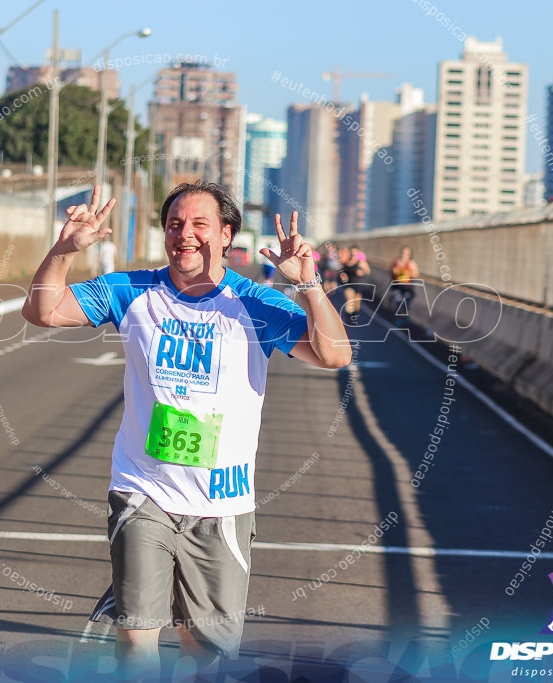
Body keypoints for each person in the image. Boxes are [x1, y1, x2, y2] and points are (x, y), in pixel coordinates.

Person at [21, 182, 351, 676]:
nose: (185, 236)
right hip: (142, 491)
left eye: (200, 225)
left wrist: (308, 284)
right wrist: (63, 251)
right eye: (175, 225)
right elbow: (42, 311)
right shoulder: (132, 290)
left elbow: (334, 355)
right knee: (136, 641)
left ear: (226, 235)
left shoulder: (255, 304)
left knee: (206, 657)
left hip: (222, 504)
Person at [389, 245, 420, 327]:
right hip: (397, 286)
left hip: (407, 287)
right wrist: (395, 272)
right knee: (398, 302)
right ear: (401, 253)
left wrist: (408, 272)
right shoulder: (396, 262)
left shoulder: (411, 263)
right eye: (404, 253)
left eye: (407, 253)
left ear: (410, 254)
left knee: (406, 303)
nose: (405, 255)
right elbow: (391, 272)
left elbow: (416, 274)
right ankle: (398, 319)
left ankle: (405, 317)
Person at [339, 243, 370, 321]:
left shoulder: (361, 262)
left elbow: (368, 271)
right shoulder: (347, 260)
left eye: (355, 252)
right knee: (349, 300)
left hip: (359, 284)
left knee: (356, 304)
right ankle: (348, 317)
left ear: (358, 252)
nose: (353, 254)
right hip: (349, 284)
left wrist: (362, 272)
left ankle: (354, 316)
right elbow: (342, 271)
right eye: (352, 252)